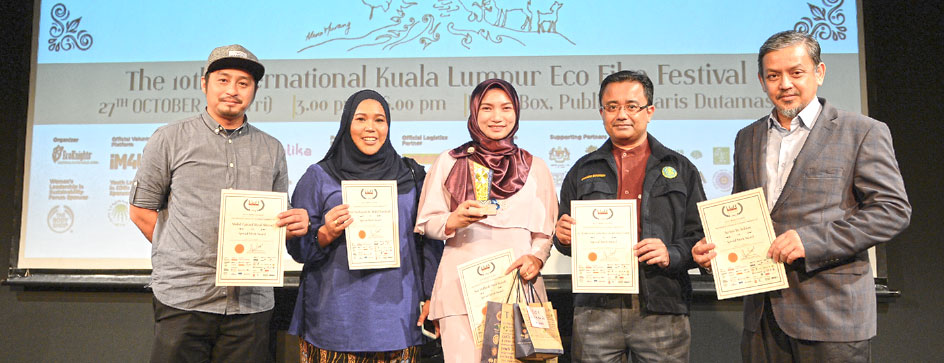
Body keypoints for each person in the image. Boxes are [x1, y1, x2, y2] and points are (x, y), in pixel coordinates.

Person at [692, 30, 911, 362]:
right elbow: (742, 212)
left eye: (796, 72)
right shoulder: (747, 138)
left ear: (819, 73)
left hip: (832, 314)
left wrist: (812, 241)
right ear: (761, 80)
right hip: (762, 315)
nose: (785, 84)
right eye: (773, 75)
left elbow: (891, 210)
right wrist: (715, 254)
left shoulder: (862, 131)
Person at [129, 44, 310, 363]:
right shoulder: (170, 138)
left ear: (254, 90)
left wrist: (294, 227)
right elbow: (141, 210)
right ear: (204, 83)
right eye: (223, 80)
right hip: (184, 297)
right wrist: (179, 254)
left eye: (243, 83)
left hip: (249, 304)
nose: (233, 90)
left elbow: (276, 222)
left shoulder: (271, 149)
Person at [553, 70, 706, 362]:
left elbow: (699, 237)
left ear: (649, 111)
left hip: (662, 305)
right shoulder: (582, 170)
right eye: (612, 107)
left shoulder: (681, 168)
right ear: (602, 113)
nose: (621, 114)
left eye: (632, 106)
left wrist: (670, 253)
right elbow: (565, 239)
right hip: (595, 309)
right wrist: (562, 237)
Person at [286, 89, 443, 362]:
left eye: (380, 120)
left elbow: (429, 242)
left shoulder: (412, 175)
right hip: (334, 319)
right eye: (361, 119)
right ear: (347, 124)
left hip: (397, 319)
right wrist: (325, 233)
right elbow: (298, 249)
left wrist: (433, 295)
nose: (370, 128)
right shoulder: (319, 176)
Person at [414, 79, 559, 362]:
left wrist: (536, 259)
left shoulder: (536, 167)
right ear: (474, 113)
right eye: (487, 108)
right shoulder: (449, 161)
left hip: (518, 288)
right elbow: (427, 223)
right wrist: (453, 221)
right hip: (460, 291)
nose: (497, 117)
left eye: (506, 108)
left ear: (516, 112)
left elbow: (545, 234)